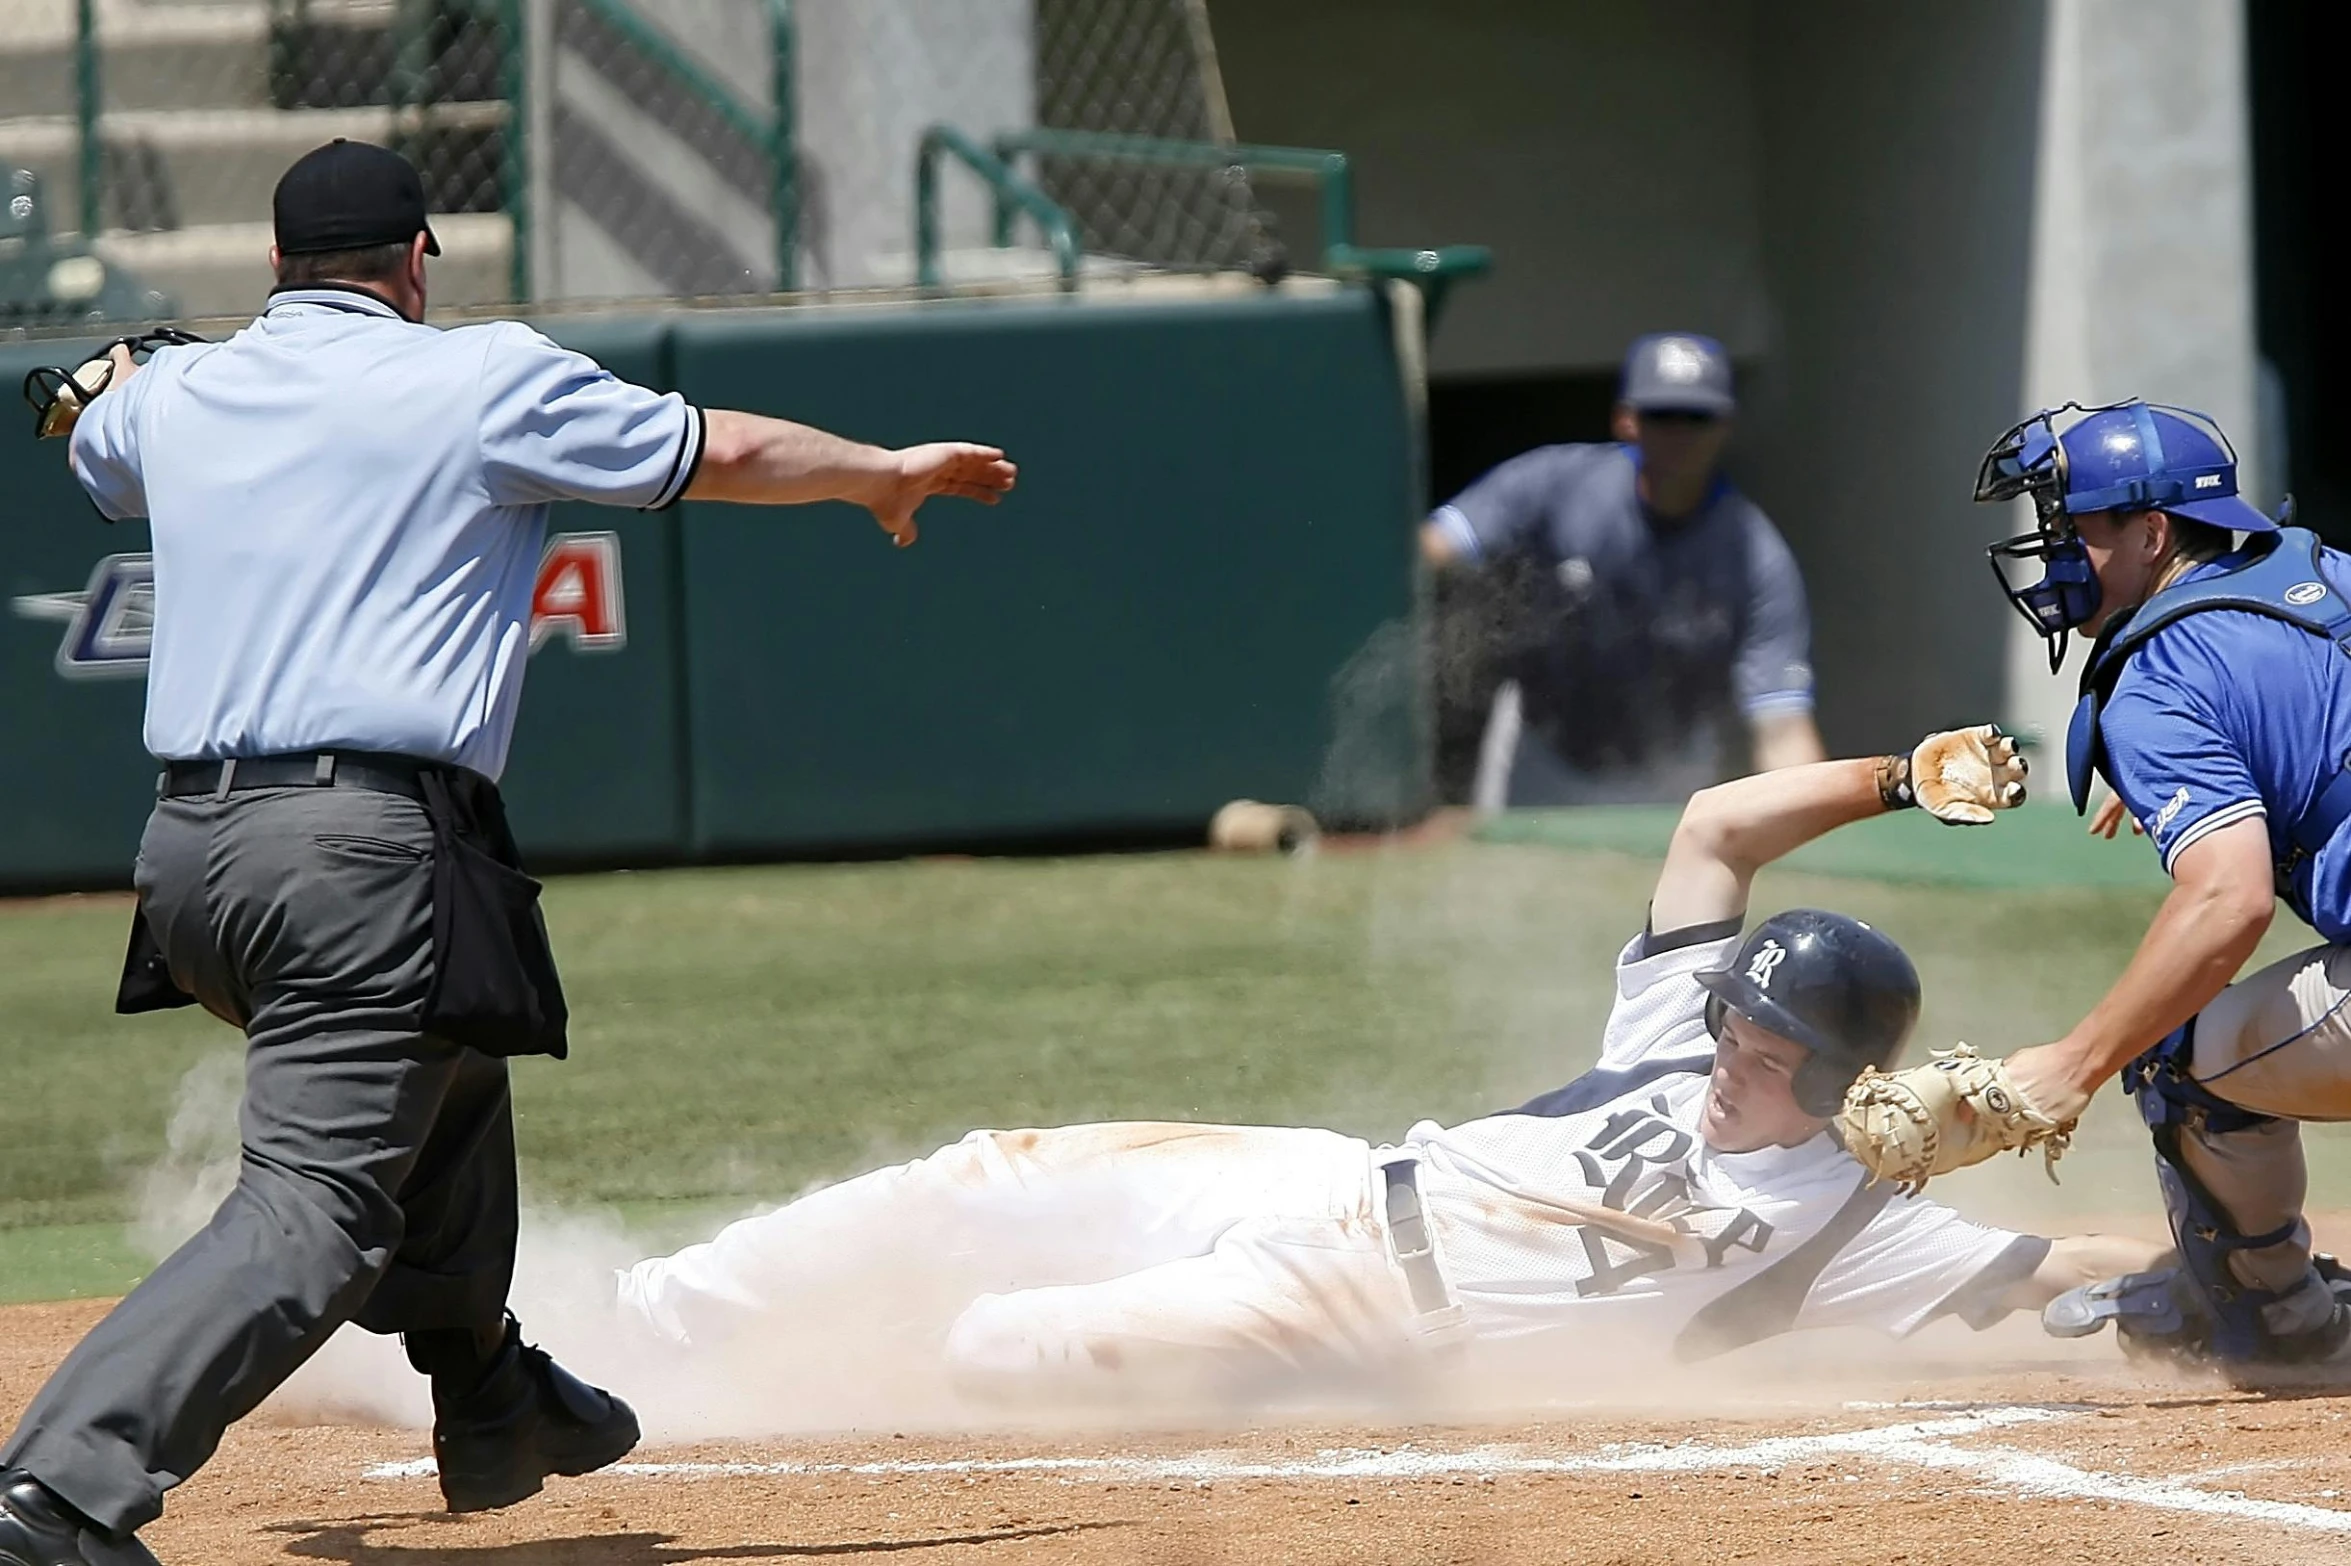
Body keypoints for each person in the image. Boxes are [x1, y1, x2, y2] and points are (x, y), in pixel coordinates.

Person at [0, 139, 1016, 1566]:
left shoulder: (181, 391)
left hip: (191, 860)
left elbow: (92, 431)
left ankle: (489, 1394)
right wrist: (878, 473)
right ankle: (56, 1488)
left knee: (451, 1062)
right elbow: (714, 448)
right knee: (317, 1208)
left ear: (277, 266)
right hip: (361, 847)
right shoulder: (476, 375)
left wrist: (119, 378)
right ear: (417, 259)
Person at [606, 726, 2155, 1404]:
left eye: (1766, 1052)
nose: (1727, 1059)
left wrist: (2228, 1260)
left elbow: (2060, 1256)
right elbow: (1709, 826)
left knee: (1001, 1349)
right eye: (1728, 1028)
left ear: (1835, 1081)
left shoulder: (1853, 1226)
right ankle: (638, 1325)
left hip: (1357, 1310)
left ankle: (811, 1370)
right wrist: (1897, 775)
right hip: (1333, 1176)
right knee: (979, 1177)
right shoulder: (1660, 1055)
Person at [1945, 399, 2351, 1375]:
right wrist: (2218, 767)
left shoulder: (2157, 678)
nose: (2053, 551)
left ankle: (2280, 1320)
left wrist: (2074, 1063)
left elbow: (2227, 899)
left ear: (2152, 532)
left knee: (2172, 1054)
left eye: (2071, 525)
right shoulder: (2324, 572)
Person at [1421, 332, 1826, 809]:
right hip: (1542, 755)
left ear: (1726, 426)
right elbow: (1432, 549)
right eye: (1662, 415)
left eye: (1698, 417)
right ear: (1626, 421)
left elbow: (1781, 726)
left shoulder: (1756, 557)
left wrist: (1817, 833)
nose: (1680, 433)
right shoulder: (1555, 483)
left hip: (1672, 773)